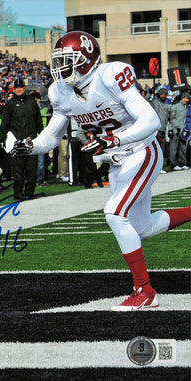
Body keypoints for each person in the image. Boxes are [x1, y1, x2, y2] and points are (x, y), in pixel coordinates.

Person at [25, 31, 191, 310]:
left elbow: (150, 120)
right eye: (59, 61)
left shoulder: (111, 75)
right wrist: (27, 147)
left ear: (87, 58)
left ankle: (145, 291)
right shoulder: (60, 91)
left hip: (141, 151)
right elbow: (52, 137)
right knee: (142, 227)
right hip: (117, 161)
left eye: (68, 60)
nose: (61, 67)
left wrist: (115, 139)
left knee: (115, 213)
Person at [0, 78, 43, 200]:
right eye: (16, 87)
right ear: (14, 89)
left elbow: (38, 120)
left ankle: (30, 192)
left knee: (31, 169)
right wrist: (3, 136)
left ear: (24, 88)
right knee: (18, 170)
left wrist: (42, 133)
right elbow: (5, 122)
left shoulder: (32, 102)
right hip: (16, 141)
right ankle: (18, 193)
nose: (19, 89)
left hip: (31, 140)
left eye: (21, 87)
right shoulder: (10, 104)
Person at [168, 92, 190, 170]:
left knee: (183, 147)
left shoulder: (188, 107)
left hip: (185, 131)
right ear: (182, 98)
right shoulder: (175, 107)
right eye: (184, 98)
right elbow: (171, 118)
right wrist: (177, 127)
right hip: (176, 129)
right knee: (174, 147)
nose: (186, 100)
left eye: (187, 98)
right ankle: (173, 164)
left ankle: (182, 162)